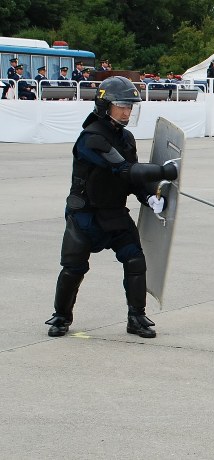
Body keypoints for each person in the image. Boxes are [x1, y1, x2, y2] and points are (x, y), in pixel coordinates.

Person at [44, 76, 179, 338]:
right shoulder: (90, 138)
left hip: (114, 212)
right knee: (74, 268)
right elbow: (122, 168)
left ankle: (136, 317)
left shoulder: (126, 138)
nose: (127, 112)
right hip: (85, 215)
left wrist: (150, 196)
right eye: (122, 106)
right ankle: (61, 316)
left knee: (136, 260)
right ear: (105, 105)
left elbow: (132, 178)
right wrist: (165, 171)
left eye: (131, 107)